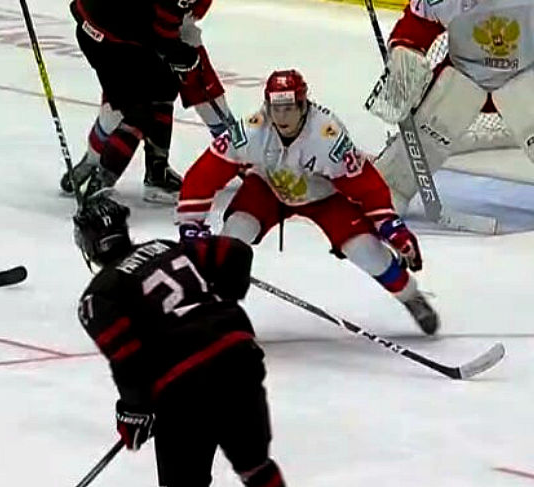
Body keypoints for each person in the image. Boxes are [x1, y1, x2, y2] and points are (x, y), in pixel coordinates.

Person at [177, 69, 440, 335]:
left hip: (324, 196)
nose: (281, 117)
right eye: (276, 109)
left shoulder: (327, 137)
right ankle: (215, 308)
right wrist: (190, 223)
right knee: (233, 237)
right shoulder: (252, 130)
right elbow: (205, 173)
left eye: (289, 108)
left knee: (365, 251)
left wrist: (392, 227)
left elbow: (366, 187)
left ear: (303, 106)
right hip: (268, 187)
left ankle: (410, 296)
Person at [73, 192, 285, 487]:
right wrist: (219, 308)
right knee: (256, 467)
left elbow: (128, 359)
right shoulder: (167, 247)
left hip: (183, 385)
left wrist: (135, 411)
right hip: (238, 358)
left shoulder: (98, 296)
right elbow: (236, 252)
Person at [366, 0, 534, 225]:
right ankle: (389, 186)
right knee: (434, 123)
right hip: (463, 73)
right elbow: (416, 27)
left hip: (521, 73)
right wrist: (405, 53)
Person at [63, 0, 234, 203]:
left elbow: (173, 32)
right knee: (137, 112)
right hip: (111, 38)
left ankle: (154, 171)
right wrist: (184, 56)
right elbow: (166, 38)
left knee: (163, 86)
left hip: (118, 29)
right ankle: (100, 184)